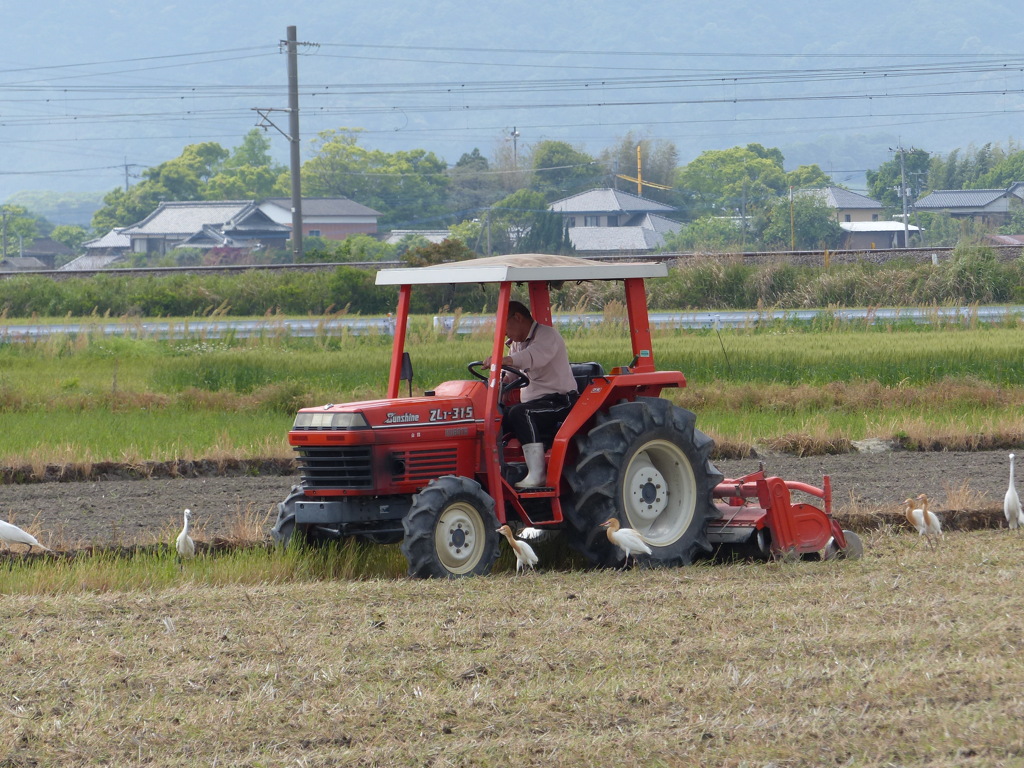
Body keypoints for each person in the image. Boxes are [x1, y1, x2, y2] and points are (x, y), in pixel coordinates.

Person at [484, 300, 578, 488]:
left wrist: (503, 359)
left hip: (560, 401)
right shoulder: (517, 344)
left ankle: (537, 474)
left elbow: (532, 357)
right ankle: (495, 470)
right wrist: (500, 382)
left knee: (521, 413)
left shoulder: (547, 335)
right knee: (496, 417)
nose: (504, 333)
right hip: (536, 404)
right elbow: (510, 373)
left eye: (504, 326)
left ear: (517, 317)